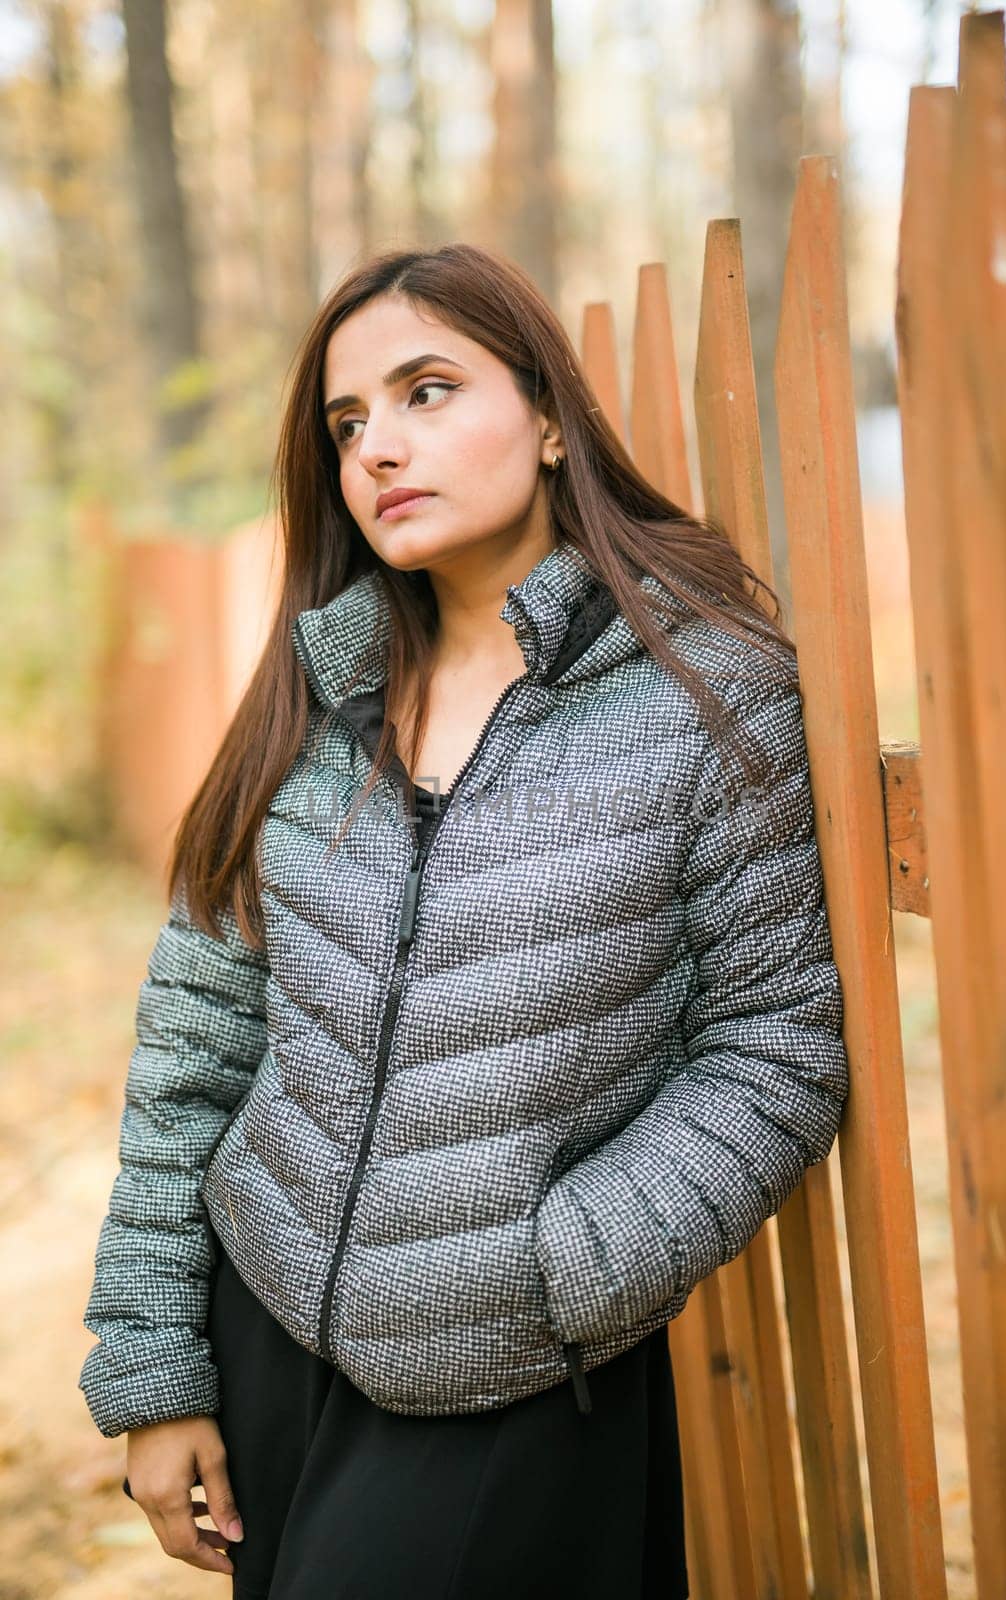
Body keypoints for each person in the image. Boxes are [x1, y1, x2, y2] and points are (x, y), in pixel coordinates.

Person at [78, 241, 849, 1599]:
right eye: (350, 421)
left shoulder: (704, 691)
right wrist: (153, 1369)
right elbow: (196, 1041)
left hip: (509, 1379)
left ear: (549, 417)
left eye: (428, 390)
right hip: (266, 1335)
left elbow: (777, 1044)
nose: (379, 445)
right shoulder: (318, 698)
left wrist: (565, 1270)